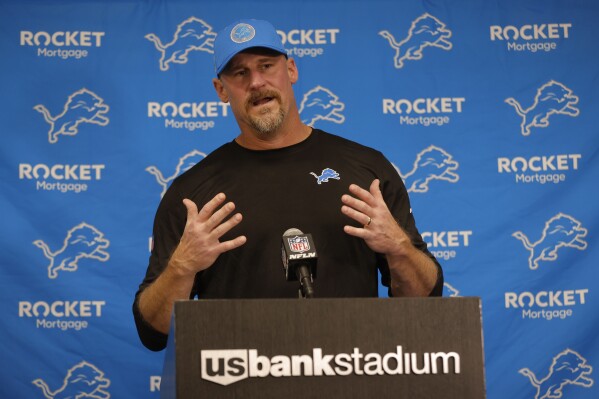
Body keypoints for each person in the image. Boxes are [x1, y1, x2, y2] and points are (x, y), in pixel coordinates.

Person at [133, 19, 443, 351]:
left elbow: (425, 302)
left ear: (291, 70)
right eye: (239, 73)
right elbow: (153, 331)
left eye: (266, 66)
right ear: (221, 90)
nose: (256, 82)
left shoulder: (366, 171)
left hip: (352, 373)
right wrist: (182, 266)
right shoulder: (194, 194)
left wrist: (399, 246)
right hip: (238, 380)